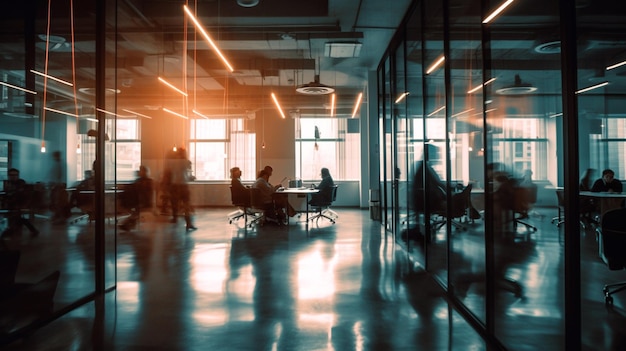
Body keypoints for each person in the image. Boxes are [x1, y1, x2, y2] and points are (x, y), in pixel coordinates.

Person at [1, 168, 39, 238]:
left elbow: (20, 194)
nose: (13, 176)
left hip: (20, 204)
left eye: (15, 175)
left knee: (17, 218)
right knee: (19, 219)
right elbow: (8, 194)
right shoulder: (9, 183)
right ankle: (32, 230)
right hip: (13, 204)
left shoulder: (20, 183)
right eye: (11, 175)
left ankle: (10, 231)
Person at [166, 148, 196, 231]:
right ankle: (188, 223)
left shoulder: (171, 162)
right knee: (186, 204)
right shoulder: (187, 162)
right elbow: (189, 174)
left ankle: (175, 218)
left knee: (174, 204)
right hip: (183, 185)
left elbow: (168, 172)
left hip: (174, 185)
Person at [119, 165, 155, 231]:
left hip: (144, 202)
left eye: (141, 171)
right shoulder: (141, 181)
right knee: (135, 212)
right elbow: (133, 187)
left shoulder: (147, 182)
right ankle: (130, 225)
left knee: (135, 211)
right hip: (139, 201)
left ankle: (128, 225)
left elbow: (146, 194)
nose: (139, 172)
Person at [49, 151, 71, 223]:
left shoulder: (61, 164)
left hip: (59, 185)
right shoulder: (58, 164)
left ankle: (61, 217)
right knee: (56, 202)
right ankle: (58, 216)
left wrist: (58, 184)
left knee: (59, 202)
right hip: (57, 185)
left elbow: (59, 175)